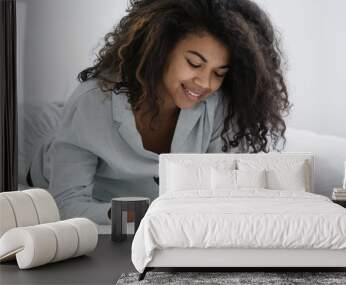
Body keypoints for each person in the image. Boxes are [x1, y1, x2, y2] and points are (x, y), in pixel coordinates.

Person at [27, 0, 290, 224]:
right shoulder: (93, 102)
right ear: (160, 49)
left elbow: (216, 194)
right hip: (47, 167)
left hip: (143, 192)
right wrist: (147, 214)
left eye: (219, 73)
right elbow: (67, 204)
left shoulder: (215, 104)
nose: (205, 83)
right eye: (194, 63)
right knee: (40, 121)